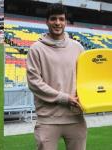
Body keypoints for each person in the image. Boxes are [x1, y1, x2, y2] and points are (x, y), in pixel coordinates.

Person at [26, 3, 87, 150]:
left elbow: (85, 80)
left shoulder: (78, 47)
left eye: (61, 19)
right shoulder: (36, 49)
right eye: (53, 19)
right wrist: (64, 98)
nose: (58, 23)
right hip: (48, 119)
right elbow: (34, 83)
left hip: (75, 117)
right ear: (47, 21)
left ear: (65, 22)